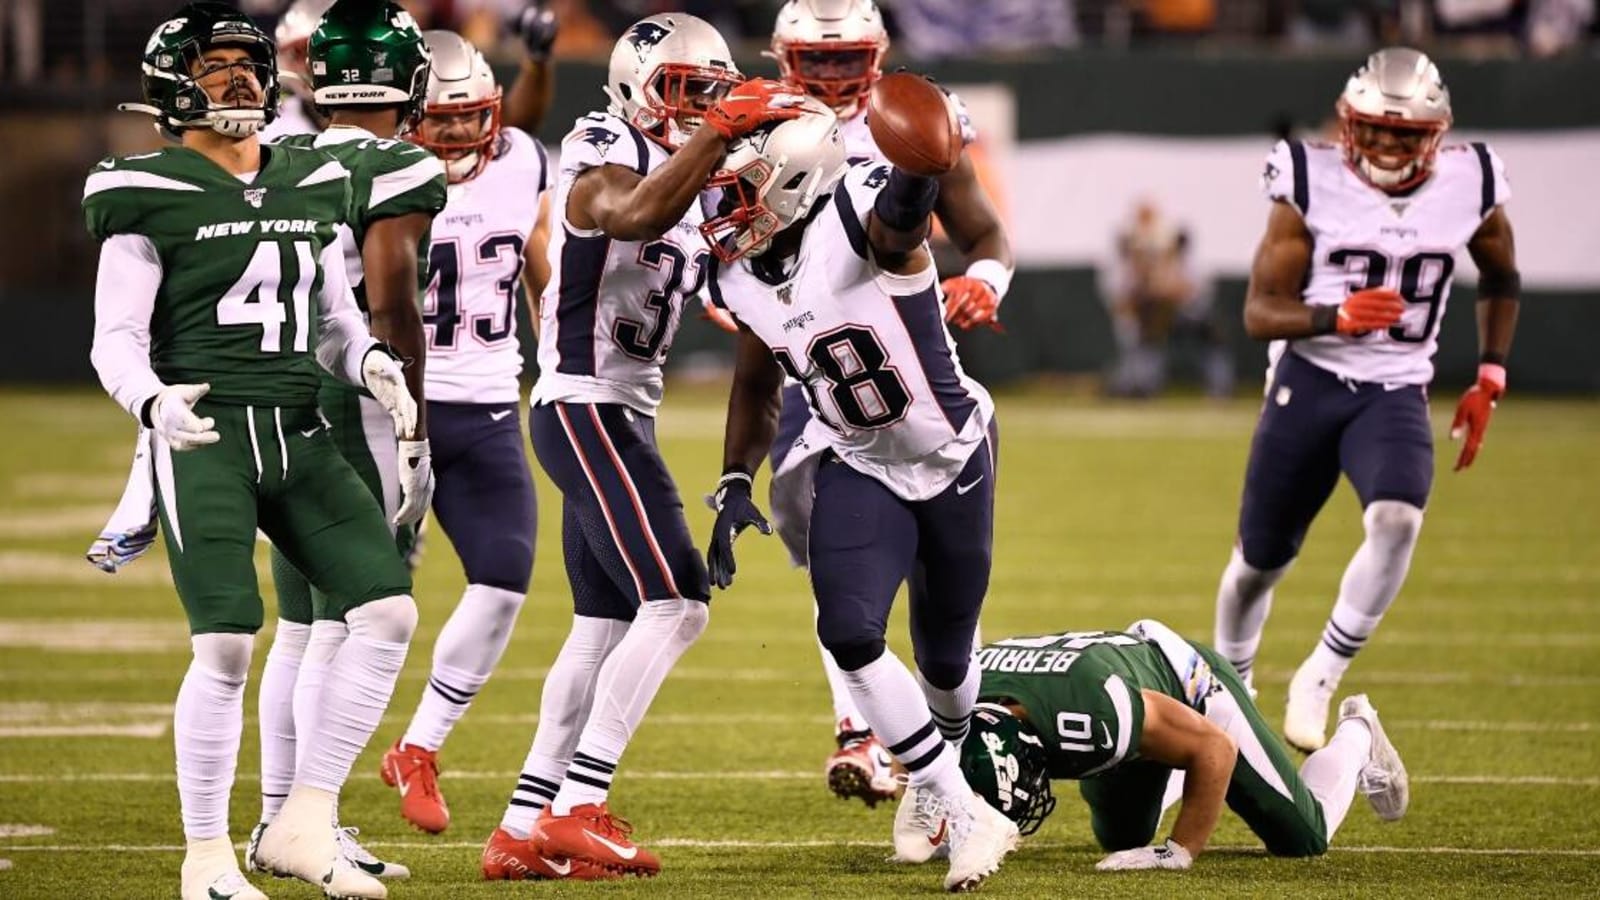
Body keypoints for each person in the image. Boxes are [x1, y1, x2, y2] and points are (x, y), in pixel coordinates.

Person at [86, 5, 421, 898]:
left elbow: (333, 322)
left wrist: (373, 363)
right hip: (204, 434)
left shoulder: (314, 177)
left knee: (387, 614)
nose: (235, 77)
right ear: (170, 85)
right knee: (230, 642)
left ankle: (304, 820)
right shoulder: (141, 186)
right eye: (213, 65)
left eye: (245, 61)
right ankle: (205, 860)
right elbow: (112, 336)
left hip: (299, 428)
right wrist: (150, 400)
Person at [477, 14, 804, 880]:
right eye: (684, 92)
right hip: (587, 409)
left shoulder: (698, 179)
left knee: (601, 624)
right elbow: (630, 208)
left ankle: (519, 829)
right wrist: (719, 137)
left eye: (712, 94)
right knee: (679, 604)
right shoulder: (599, 147)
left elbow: (750, 311)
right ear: (633, 87)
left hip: (615, 412)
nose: (698, 110)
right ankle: (581, 804)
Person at [700, 93, 1017, 893]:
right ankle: (956, 801)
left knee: (947, 666)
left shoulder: (857, 222)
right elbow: (756, 380)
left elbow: (900, 226)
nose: (725, 207)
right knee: (848, 629)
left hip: (951, 458)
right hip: (858, 460)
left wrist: (919, 162)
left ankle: (937, 780)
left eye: (744, 189)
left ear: (795, 184)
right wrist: (738, 475)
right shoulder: (738, 274)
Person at [1211, 47, 1521, 751]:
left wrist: (1491, 375)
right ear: (1349, 123)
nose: (1384, 144)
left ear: (1436, 134)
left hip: (1396, 385)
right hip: (1310, 378)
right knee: (1260, 562)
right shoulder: (1309, 179)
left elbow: (1503, 277)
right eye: (1372, 128)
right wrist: (1335, 317)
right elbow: (1260, 312)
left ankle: (1321, 672)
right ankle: (1231, 685)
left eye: (1402, 133)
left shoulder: (1471, 182)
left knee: (1398, 521)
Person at [766, 0, 1014, 808]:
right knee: (837, 567)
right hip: (817, 367)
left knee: (941, 581)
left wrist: (985, 280)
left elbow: (985, 235)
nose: (835, 76)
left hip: (907, 354)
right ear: (783, 57)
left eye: (848, 60)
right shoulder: (748, 125)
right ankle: (859, 731)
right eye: (819, 60)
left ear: (877, 55)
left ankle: (946, 731)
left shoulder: (914, 118)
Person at [248, 0, 445, 889]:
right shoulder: (399, 162)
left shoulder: (280, 152)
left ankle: (278, 822)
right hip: (352, 390)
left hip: (275, 389)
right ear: (409, 81)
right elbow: (391, 299)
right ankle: (307, 822)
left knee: (300, 624)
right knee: (355, 617)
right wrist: (414, 426)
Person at [376, 28, 551, 835]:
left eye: (468, 117)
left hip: (484, 405)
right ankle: (298, 788)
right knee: (357, 603)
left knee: (505, 578)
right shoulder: (371, 170)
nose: (453, 134)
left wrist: (556, 347)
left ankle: (419, 747)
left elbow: (538, 258)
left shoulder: (522, 160)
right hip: (387, 407)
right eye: (438, 119)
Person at [952, 621, 1408, 871]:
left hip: (1190, 691)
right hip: (1119, 694)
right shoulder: (954, 704)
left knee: (1303, 837)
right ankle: (1165, 754)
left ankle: (1359, 733)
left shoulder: (1091, 718)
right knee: (1122, 838)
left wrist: (1180, 850)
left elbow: (1216, 747)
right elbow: (914, 752)